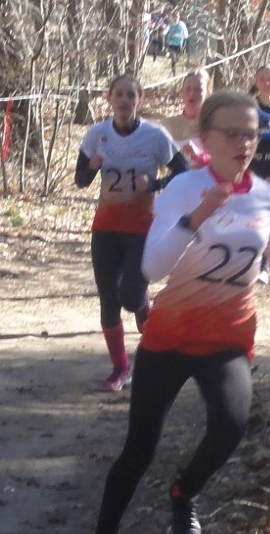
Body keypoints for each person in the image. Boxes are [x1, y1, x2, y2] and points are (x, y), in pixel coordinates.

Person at [89, 90, 270, 534]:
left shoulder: (268, 195)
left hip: (228, 334)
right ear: (204, 139)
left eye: (251, 133)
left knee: (230, 427)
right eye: (231, 133)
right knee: (138, 451)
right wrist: (197, 217)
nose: (244, 142)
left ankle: (183, 493)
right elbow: (152, 268)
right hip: (172, 334)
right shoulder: (184, 189)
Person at [75, 74, 188, 392]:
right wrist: (93, 167)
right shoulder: (97, 134)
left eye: (130, 95)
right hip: (105, 228)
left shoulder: (155, 136)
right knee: (108, 300)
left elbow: (183, 172)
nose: (124, 100)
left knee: (130, 295)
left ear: (139, 100)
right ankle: (120, 368)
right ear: (109, 99)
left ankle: (143, 307)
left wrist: (152, 185)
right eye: (119, 95)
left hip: (141, 229)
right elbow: (80, 180)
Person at [161, 69, 210, 169]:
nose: (192, 94)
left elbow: (223, 162)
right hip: (175, 181)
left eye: (198, 90)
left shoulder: (213, 124)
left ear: (208, 93)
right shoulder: (167, 124)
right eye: (188, 89)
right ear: (181, 92)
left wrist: (200, 156)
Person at [165, 11, 189, 76]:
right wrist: (163, 33)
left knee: (177, 58)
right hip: (171, 43)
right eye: (175, 16)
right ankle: (173, 73)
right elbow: (165, 31)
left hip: (178, 44)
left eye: (177, 16)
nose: (176, 18)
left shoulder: (181, 24)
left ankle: (174, 63)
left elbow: (186, 35)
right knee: (173, 57)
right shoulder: (171, 24)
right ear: (172, 17)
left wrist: (181, 36)